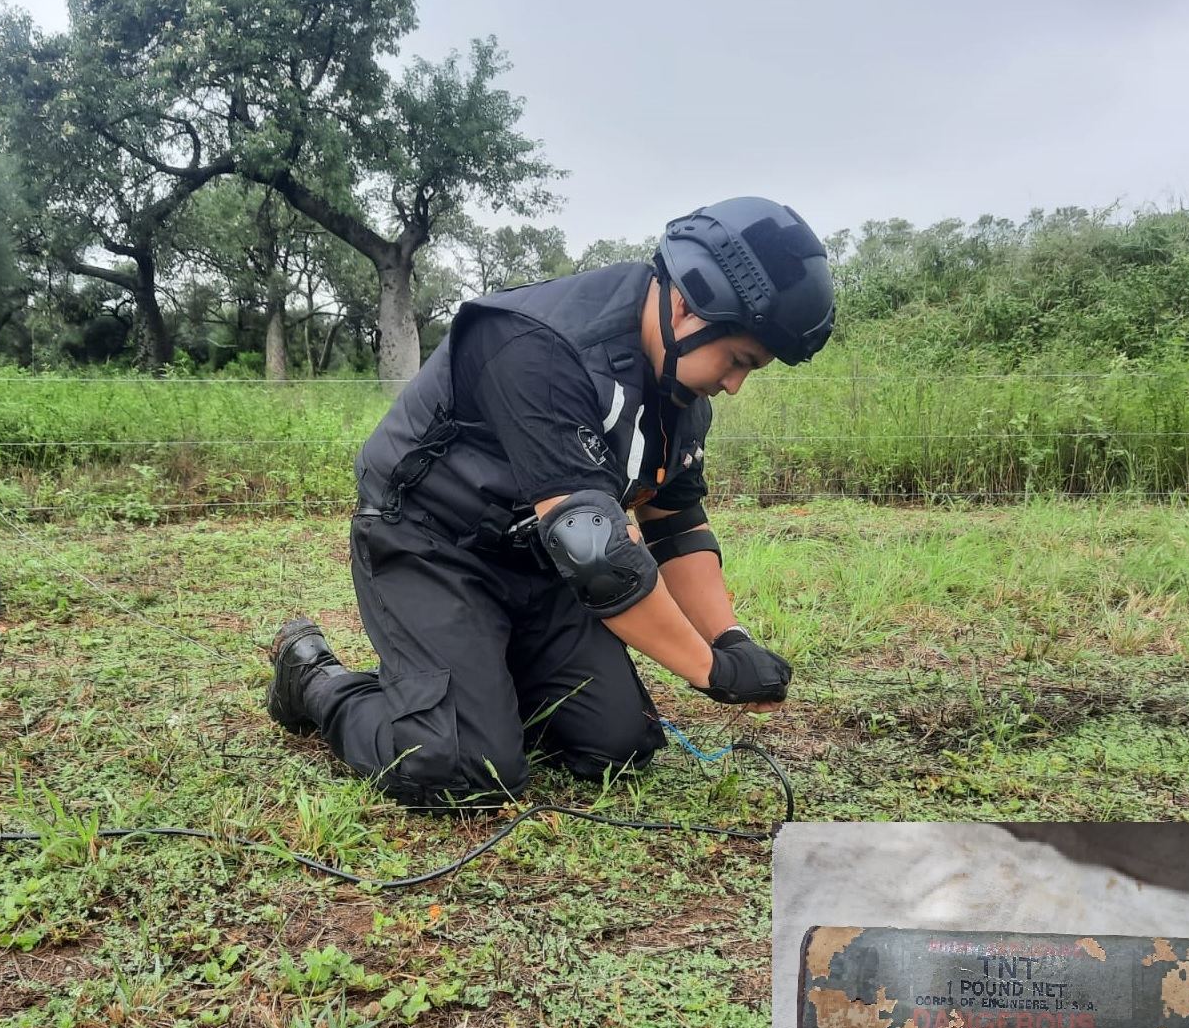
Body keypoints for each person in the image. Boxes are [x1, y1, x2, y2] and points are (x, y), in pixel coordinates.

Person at [266, 196, 835, 809]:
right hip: (428, 542)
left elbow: (675, 524)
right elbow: (593, 553)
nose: (734, 383)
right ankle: (317, 682)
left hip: (534, 560)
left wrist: (730, 638)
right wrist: (710, 672)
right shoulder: (539, 343)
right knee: (465, 767)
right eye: (739, 359)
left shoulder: (678, 392)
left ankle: (472, 680)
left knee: (618, 748)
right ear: (687, 304)